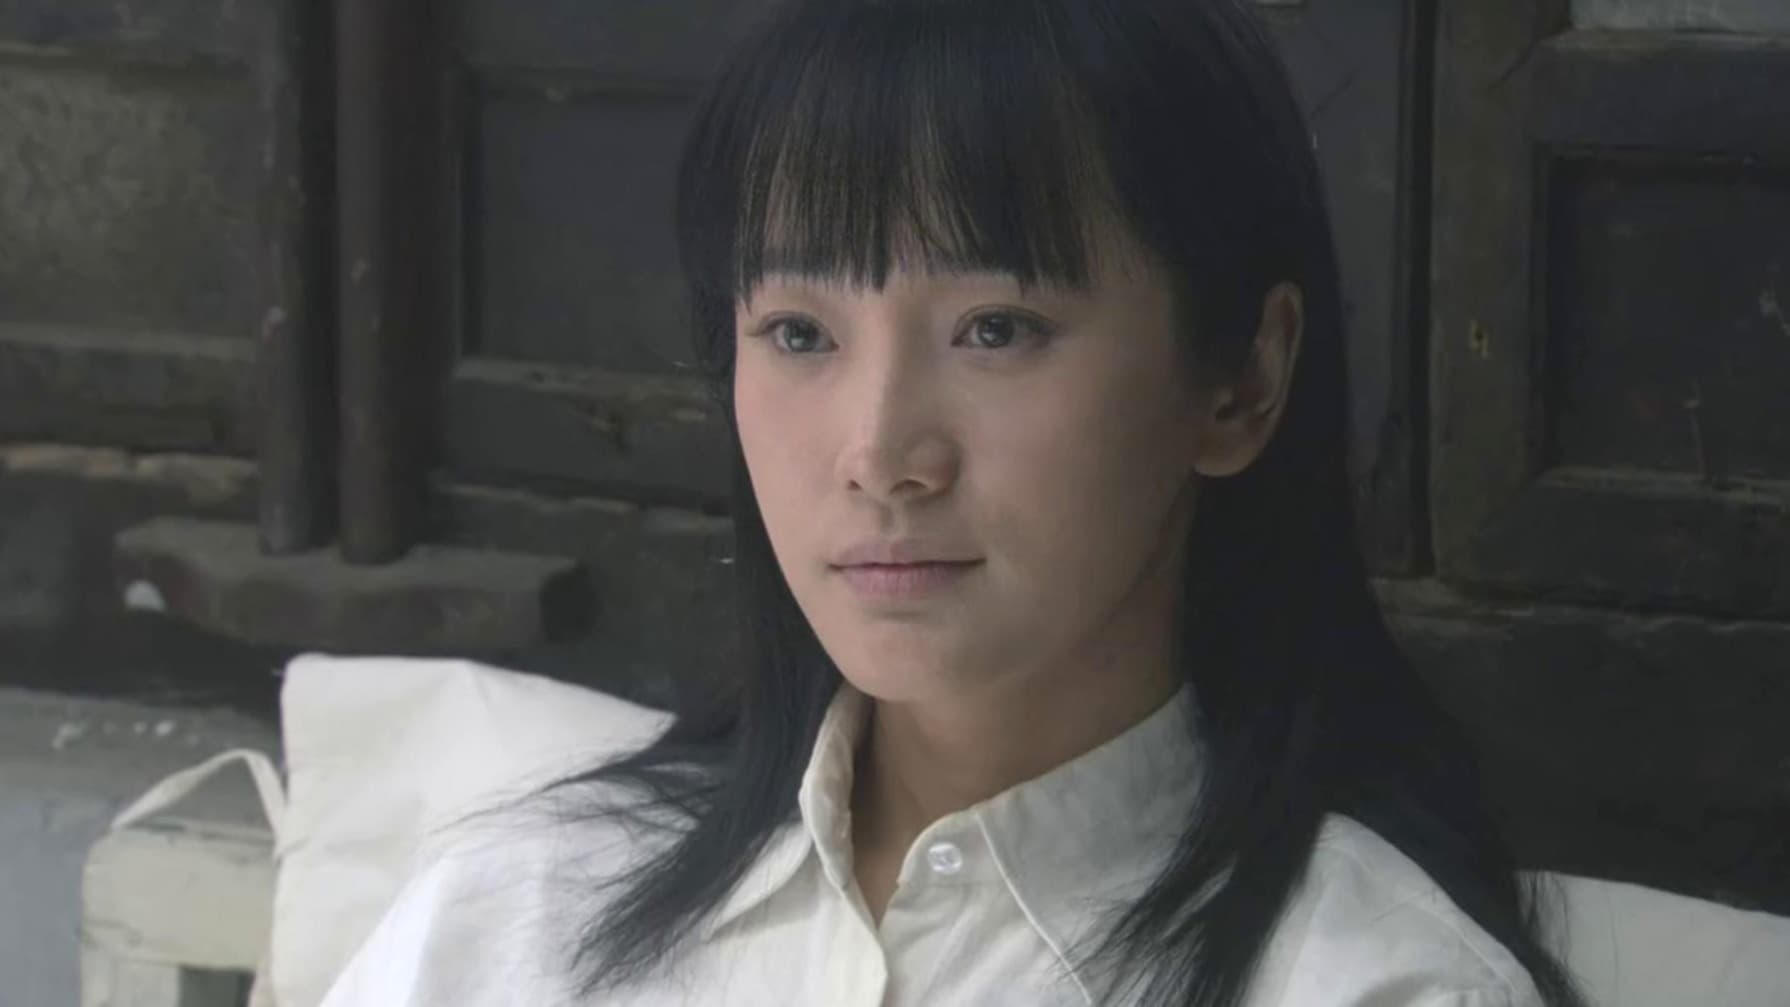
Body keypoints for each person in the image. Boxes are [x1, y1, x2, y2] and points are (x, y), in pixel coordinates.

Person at [321, 0, 1586, 1004]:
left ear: (1239, 381)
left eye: (995, 327)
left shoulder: (1375, 983)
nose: (880, 453)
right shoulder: (518, 913)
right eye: (799, 332)